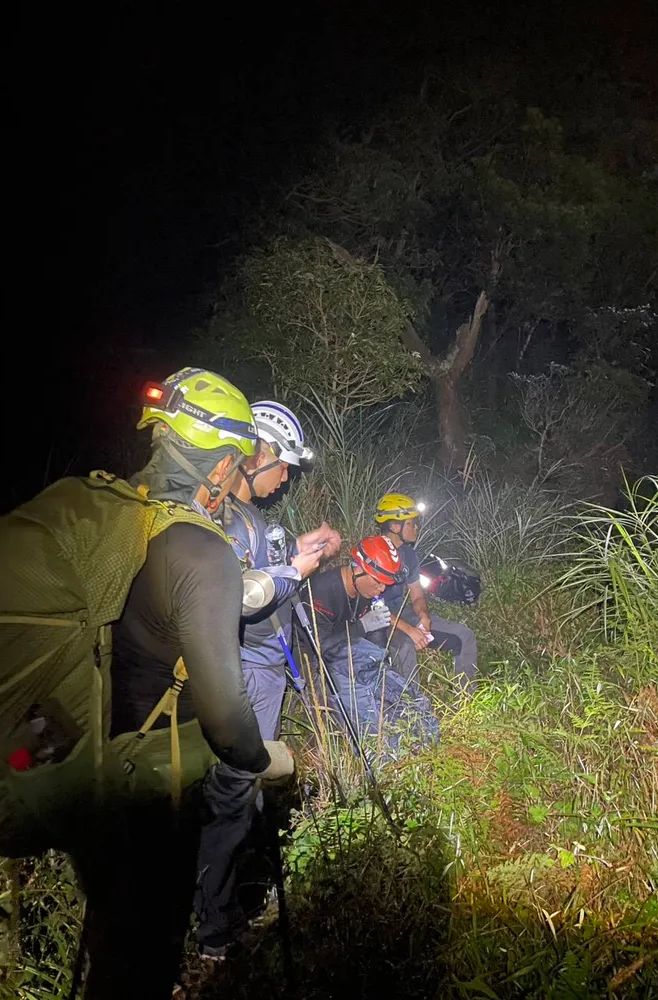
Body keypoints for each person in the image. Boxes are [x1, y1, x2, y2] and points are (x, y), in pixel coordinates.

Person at [79, 368, 295, 998]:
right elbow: (227, 719)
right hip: (154, 771)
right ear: (224, 463)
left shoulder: (114, 514)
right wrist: (265, 760)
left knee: (111, 928)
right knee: (144, 947)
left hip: (92, 747)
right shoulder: (203, 552)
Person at [194, 399, 341, 959]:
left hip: (264, 669)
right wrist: (295, 569)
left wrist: (299, 549)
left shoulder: (247, 518)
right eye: (283, 467)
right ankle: (216, 928)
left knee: (245, 789)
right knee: (233, 791)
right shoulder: (223, 515)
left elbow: (257, 569)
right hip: (247, 671)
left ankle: (225, 896)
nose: (284, 481)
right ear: (257, 454)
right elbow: (239, 596)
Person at [299, 535, 438, 757]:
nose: (381, 589)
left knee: (400, 694)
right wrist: (362, 626)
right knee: (363, 708)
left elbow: (376, 638)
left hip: (351, 653)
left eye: (386, 583)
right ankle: (376, 754)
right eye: (377, 581)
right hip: (314, 660)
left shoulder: (365, 590)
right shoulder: (321, 591)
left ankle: (413, 743)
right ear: (357, 569)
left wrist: (382, 663)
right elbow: (319, 646)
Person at [372, 493, 477, 688]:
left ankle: (467, 698)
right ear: (395, 527)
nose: (416, 527)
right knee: (404, 647)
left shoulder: (409, 554)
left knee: (464, 635)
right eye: (411, 523)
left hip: (403, 614)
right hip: (376, 620)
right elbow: (371, 606)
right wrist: (408, 630)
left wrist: (423, 616)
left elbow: (417, 594)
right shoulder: (372, 553)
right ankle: (412, 712)